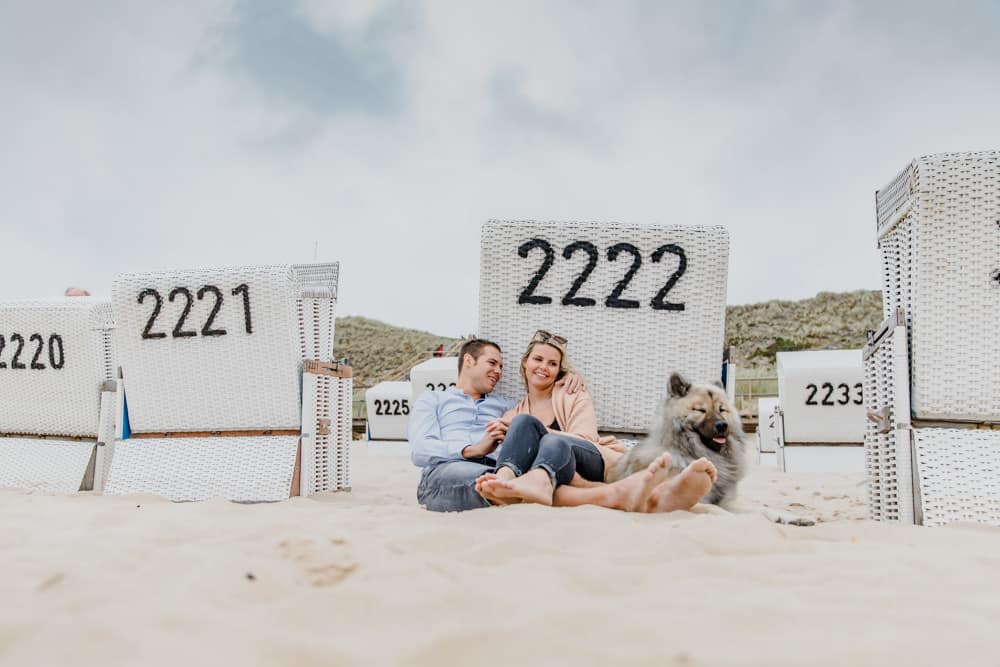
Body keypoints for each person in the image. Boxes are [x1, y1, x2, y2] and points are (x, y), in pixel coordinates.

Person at [408, 336, 716, 513]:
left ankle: (637, 495)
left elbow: (529, 437)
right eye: (492, 363)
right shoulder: (434, 400)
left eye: (501, 365)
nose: (498, 371)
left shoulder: (505, 408)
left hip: (523, 469)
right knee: (508, 480)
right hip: (449, 470)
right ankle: (624, 495)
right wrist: (474, 449)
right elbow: (420, 450)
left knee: (516, 475)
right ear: (468, 361)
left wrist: (571, 381)